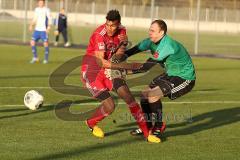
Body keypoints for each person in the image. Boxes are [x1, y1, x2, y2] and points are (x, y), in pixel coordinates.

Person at [105, 19, 196, 137]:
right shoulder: (150, 42)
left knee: (153, 95)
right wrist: (118, 58)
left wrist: (120, 70)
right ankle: (146, 126)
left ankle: (158, 126)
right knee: (144, 95)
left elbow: (147, 66)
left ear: (161, 32)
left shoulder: (167, 45)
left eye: (153, 31)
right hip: (171, 74)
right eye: (150, 30)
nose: (150, 32)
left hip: (185, 78)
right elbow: (133, 50)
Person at [81, 10, 161, 143]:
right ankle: (90, 123)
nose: (109, 28)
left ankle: (148, 134)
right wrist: (125, 67)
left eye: (113, 26)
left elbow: (119, 54)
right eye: (107, 24)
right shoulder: (99, 35)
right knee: (110, 106)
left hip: (109, 68)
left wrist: (123, 46)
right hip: (92, 71)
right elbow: (101, 61)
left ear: (118, 24)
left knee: (128, 96)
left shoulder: (122, 31)